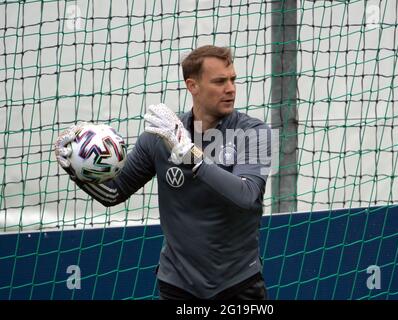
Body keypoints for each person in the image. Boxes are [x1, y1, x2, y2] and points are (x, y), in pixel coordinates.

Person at [55, 45, 271, 300]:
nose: (231, 88)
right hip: (178, 285)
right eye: (220, 81)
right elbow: (113, 193)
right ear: (193, 86)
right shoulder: (160, 138)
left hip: (238, 284)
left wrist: (193, 157)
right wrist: (76, 169)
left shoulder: (255, 132)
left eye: (233, 79)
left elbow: (247, 195)